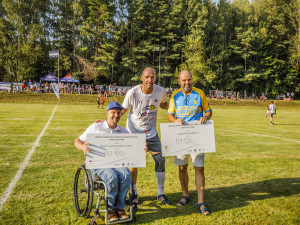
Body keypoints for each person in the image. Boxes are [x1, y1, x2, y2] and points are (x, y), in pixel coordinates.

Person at [74, 102, 132, 222]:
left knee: (126, 175)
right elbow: (77, 141)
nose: (116, 115)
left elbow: (131, 148)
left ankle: (120, 208)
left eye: (118, 112)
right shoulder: (96, 127)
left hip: (116, 163)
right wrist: (83, 147)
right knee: (111, 176)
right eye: (113, 112)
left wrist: (141, 148)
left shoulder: (124, 131)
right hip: (98, 164)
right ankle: (110, 209)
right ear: (107, 113)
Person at [121, 67, 170, 205]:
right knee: (133, 165)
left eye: (152, 77)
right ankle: (134, 193)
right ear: (142, 77)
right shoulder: (133, 93)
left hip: (151, 133)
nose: (150, 80)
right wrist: (109, 123)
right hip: (134, 133)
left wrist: (176, 107)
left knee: (160, 160)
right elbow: (123, 110)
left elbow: (163, 104)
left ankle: (160, 193)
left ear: (155, 78)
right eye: (147, 77)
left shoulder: (160, 91)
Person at [168, 70, 212, 216]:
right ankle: (185, 194)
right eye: (184, 80)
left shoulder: (199, 93)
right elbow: (170, 115)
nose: (187, 83)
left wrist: (205, 117)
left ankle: (201, 201)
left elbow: (208, 110)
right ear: (179, 81)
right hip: (181, 136)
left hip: (197, 135)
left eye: (189, 80)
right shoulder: (175, 95)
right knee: (182, 167)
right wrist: (176, 120)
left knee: (199, 168)